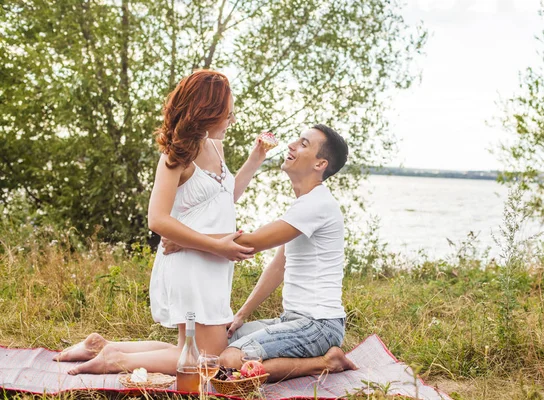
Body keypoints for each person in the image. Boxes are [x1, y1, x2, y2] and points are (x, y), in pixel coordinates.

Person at [52, 70, 273, 375]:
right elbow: (157, 219)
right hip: (191, 262)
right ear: (206, 113)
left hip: (214, 264)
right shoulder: (177, 155)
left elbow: (225, 198)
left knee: (193, 351)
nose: (231, 121)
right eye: (227, 114)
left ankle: (101, 346)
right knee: (208, 361)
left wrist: (255, 159)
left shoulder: (214, 146)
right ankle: (117, 361)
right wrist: (217, 246)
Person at [165, 124, 358, 382]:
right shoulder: (304, 205)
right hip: (293, 320)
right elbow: (279, 266)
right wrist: (241, 314)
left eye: (303, 144)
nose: (291, 145)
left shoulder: (317, 204)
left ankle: (324, 362)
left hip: (320, 325)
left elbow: (252, 243)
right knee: (220, 344)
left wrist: (186, 240)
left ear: (320, 164)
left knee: (230, 360)